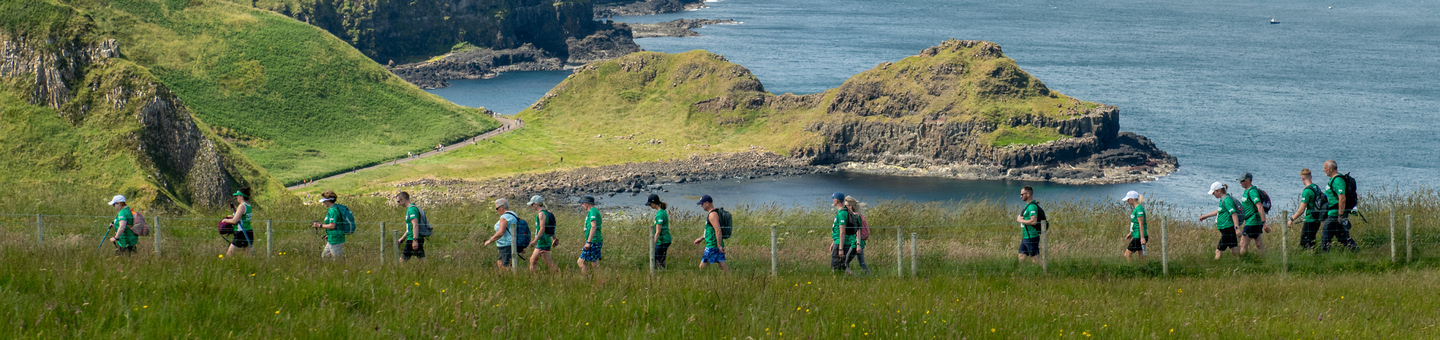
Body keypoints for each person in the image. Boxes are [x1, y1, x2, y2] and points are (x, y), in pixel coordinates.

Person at [1199, 182, 1244, 260]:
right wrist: (1206, 216)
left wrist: (1237, 228)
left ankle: (1215, 264)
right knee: (1233, 248)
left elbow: (1234, 213)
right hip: (1226, 228)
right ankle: (1240, 261)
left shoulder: (1227, 200)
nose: (1213, 195)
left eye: (1214, 193)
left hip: (1228, 228)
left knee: (1219, 250)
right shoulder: (1223, 200)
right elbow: (1219, 211)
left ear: (1219, 191)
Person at [1319, 160, 1358, 251]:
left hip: (1335, 214)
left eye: (1325, 168)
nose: (1323, 170)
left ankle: (1324, 257)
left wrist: (1340, 215)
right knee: (1343, 238)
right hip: (1334, 213)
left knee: (1325, 236)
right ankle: (1356, 251)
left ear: (1331, 169)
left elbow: (1342, 198)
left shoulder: (1338, 180)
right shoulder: (1333, 180)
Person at [1287, 168, 1325, 250]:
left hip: (1310, 219)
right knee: (1311, 240)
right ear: (1311, 176)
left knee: (1305, 242)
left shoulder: (1307, 191)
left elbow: (1301, 210)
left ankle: (1311, 256)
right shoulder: (1316, 187)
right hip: (1317, 218)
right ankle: (1313, 255)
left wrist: (1291, 219)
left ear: (1302, 178)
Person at [692, 195, 729, 272]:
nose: (701, 206)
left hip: (712, 245)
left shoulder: (712, 215)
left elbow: (718, 230)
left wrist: (718, 245)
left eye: (702, 204)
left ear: (707, 203)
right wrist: (701, 238)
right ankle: (731, 277)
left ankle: (699, 280)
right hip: (715, 244)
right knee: (722, 264)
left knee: (701, 268)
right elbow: (710, 231)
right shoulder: (713, 213)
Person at [1235, 173, 1269, 254]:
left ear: (1248, 180)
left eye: (1242, 180)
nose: (1240, 182)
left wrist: (1264, 223)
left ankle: (1243, 261)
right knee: (1258, 243)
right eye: (1240, 181)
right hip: (1251, 221)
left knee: (1243, 244)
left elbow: (1259, 206)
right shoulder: (1246, 191)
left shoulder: (1252, 192)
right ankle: (1264, 259)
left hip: (1252, 222)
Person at [482, 198, 518, 269]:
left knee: (506, 266)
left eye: (496, 208)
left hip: (506, 245)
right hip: (508, 244)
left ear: (501, 207)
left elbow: (500, 232)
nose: (496, 211)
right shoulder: (513, 214)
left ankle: (509, 279)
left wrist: (489, 241)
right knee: (500, 263)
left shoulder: (505, 217)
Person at [220, 187, 255, 257]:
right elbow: (241, 217)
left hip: (241, 233)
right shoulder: (248, 206)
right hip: (249, 232)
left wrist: (225, 220)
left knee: (229, 254)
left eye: (237, 196)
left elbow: (235, 221)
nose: (236, 197)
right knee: (248, 255)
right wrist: (232, 216)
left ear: (241, 196)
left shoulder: (242, 206)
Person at [527, 195, 559, 272]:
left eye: (532, 204)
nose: (532, 206)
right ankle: (535, 278)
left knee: (549, 263)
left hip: (543, 241)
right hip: (542, 241)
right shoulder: (547, 213)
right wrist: (554, 238)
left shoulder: (541, 214)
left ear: (536, 204)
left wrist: (534, 241)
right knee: (532, 261)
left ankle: (560, 275)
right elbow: (550, 228)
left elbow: (542, 229)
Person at [309, 191, 345, 260]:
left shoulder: (333, 211)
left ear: (329, 201)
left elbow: (332, 226)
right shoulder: (332, 209)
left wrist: (319, 225)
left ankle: (341, 270)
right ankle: (327, 269)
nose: (323, 203)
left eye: (324, 201)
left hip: (335, 239)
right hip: (331, 238)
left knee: (337, 259)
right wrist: (328, 234)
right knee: (325, 257)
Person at [828, 192, 857, 274]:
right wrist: (833, 242)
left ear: (836, 201)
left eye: (833, 199)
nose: (833, 200)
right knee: (841, 266)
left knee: (836, 265)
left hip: (840, 244)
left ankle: (838, 280)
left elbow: (842, 231)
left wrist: (840, 249)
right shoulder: (843, 211)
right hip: (837, 242)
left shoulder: (842, 213)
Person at [576, 195, 603, 274]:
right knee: (595, 263)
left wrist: (588, 242)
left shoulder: (592, 211)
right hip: (595, 240)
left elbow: (594, 226)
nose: (582, 205)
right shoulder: (593, 211)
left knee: (580, 262)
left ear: (587, 203)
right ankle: (599, 280)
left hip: (593, 241)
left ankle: (586, 279)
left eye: (582, 203)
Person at [1014, 187, 1041, 264]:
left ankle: (1045, 273)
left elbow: (1033, 221)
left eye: (1022, 194)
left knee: (1035, 258)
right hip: (1026, 236)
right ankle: (1021, 273)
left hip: (1031, 236)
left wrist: (1020, 220)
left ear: (1028, 194)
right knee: (1021, 256)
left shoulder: (1032, 206)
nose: (1021, 196)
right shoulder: (1027, 206)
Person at [844, 196, 870, 274]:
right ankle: (868, 276)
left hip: (855, 242)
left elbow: (857, 230)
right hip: (859, 242)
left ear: (850, 206)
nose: (844, 208)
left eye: (846, 206)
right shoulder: (858, 215)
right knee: (861, 262)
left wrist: (857, 244)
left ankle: (853, 277)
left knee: (845, 262)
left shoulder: (854, 216)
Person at [397, 192, 425, 262]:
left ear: (403, 200)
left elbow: (415, 225)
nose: (398, 204)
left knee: (402, 261)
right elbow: (410, 227)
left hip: (412, 239)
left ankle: (400, 272)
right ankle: (428, 271)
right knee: (422, 259)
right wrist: (403, 238)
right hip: (413, 238)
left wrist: (415, 240)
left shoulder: (411, 210)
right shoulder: (409, 209)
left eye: (398, 201)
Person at [647, 194, 672, 269]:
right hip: (664, 240)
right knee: (658, 259)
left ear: (654, 203)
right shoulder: (662, 211)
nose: (650, 206)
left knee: (658, 260)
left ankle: (660, 273)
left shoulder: (660, 214)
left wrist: (652, 245)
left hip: (662, 241)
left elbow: (658, 232)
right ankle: (660, 272)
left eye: (650, 204)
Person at [1122, 191, 1148, 262]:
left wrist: (1142, 238)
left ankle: (1131, 269)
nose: (1127, 201)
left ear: (1132, 199)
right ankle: (1142, 269)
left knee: (1127, 255)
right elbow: (1135, 223)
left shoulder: (1139, 209)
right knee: (1140, 256)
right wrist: (1131, 233)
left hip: (1138, 236)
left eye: (1128, 199)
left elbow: (1141, 224)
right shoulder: (1137, 209)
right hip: (1136, 234)